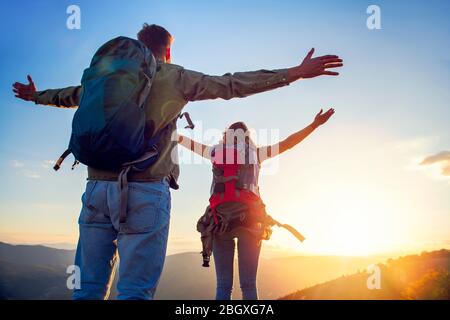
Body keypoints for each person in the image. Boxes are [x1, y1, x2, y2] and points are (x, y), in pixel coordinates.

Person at [12, 23, 343, 300]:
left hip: (96, 189)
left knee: (86, 290)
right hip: (145, 192)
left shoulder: (108, 80)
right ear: (168, 52)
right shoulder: (174, 76)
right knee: (134, 292)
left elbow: (69, 95)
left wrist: (35, 96)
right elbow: (231, 84)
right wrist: (292, 74)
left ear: (136, 48)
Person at [178, 108, 335, 300]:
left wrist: (169, 131)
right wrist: (313, 126)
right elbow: (287, 144)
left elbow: (186, 143)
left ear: (226, 136)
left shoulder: (215, 153)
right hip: (251, 221)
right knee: (249, 285)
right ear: (247, 137)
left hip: (219, 221)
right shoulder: (256, 154)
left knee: (223, 286)